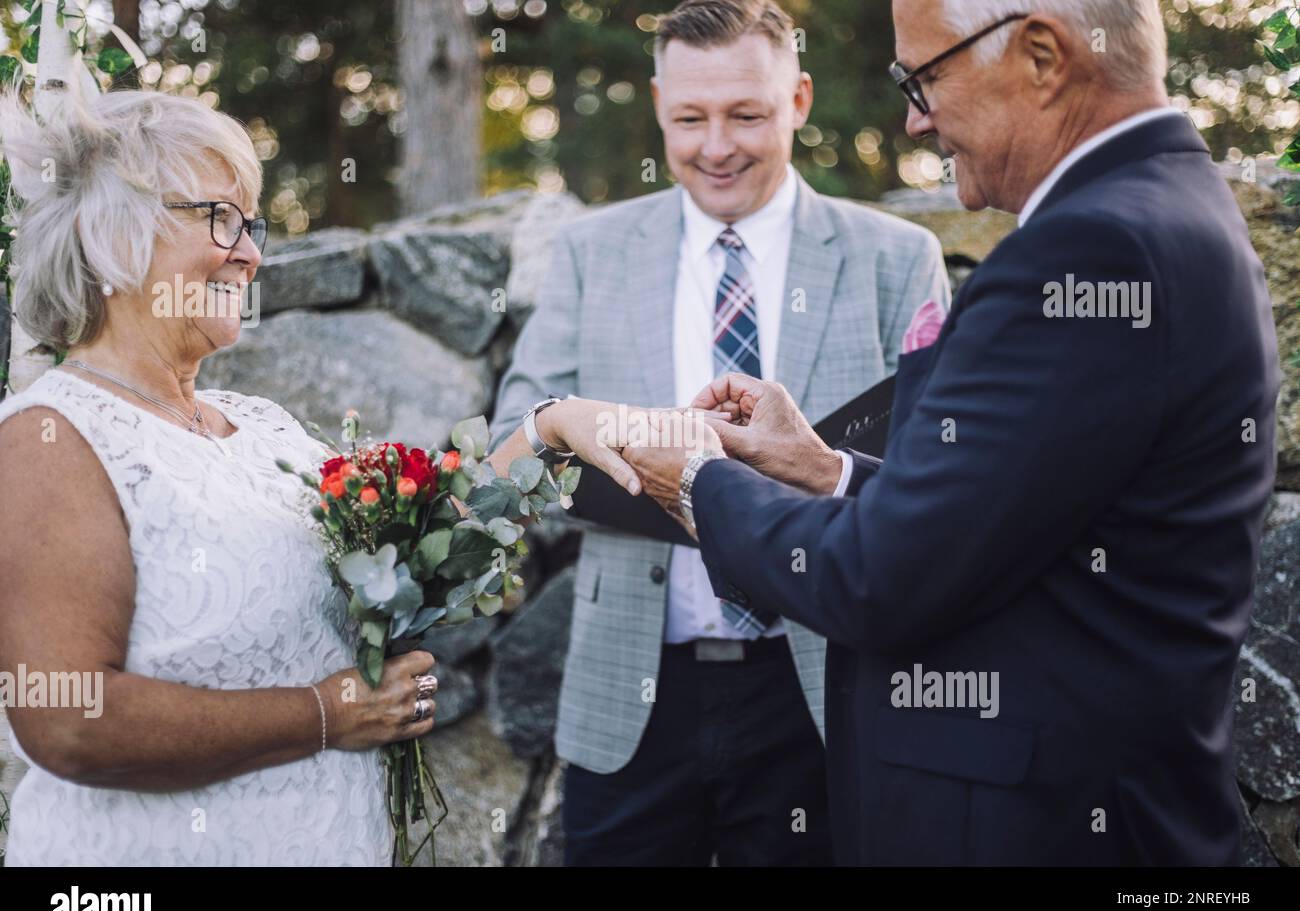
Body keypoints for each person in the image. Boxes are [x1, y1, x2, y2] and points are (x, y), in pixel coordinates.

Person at [622, 0, 1281, 865]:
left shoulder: (1091, 250)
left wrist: (701, 480)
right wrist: (826, 471)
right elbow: (1012, 507)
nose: (915, 118)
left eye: (924, 77)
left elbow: (879, 576)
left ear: (1043, 56)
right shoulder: (1163, 207)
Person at [0, 86, 639, 865]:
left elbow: (415, 564)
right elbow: (70, 719)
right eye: (219, 219)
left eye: (251, 223)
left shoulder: (257, 427)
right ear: (111, 237)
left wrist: (547, 431)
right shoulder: (52, 436)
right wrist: (322, 714)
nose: (251, 253)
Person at [488, 0, 949, 865]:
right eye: (690, 119)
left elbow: (929, 483)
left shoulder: (898, 257)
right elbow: (508, 459)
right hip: (633, 687)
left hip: (821, 682)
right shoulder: (592, 251)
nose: (716, 146)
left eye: (747, 114)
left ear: (800, 99)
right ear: (659, 104)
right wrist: (592, 442)